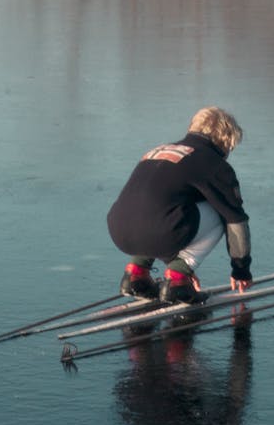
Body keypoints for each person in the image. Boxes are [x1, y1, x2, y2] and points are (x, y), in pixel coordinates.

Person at [107, 106, 253, 305]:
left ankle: (136, 275)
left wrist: (173, 261)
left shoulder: (158, 150)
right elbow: (236, 220)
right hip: (158, 229)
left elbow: (155, 208)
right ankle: (177, 283)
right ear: (226, 140)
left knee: (156, 211)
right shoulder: (213, 163)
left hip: (119, 230)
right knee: (222, 213)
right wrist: (241, 270)